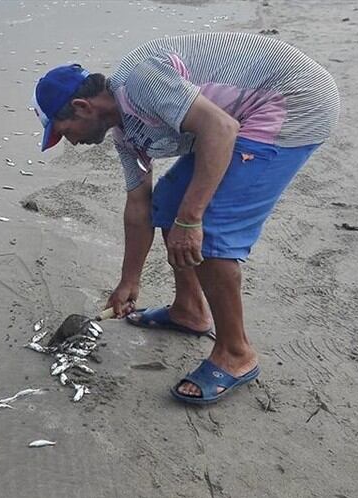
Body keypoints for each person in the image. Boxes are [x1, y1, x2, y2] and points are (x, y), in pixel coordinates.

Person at [32, 32, 339, 405]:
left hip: (293, 100)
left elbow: (221, 130)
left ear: (81, 107)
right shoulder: (125, 133)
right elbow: (139, 204)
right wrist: (129, 281)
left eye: (64, 133)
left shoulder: (141, 83)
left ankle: (236, 353)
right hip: (235, 115)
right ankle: (189, 310)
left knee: (209, 230)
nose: (71, 142)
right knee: (168, 203)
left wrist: (191, 221)